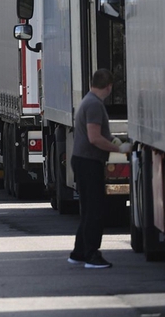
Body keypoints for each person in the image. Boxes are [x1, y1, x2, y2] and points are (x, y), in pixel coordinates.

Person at [68, 68, 131, 269]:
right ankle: (91, 255)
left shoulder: (88, 101)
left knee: (88, 210)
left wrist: (111, 139)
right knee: (95, 211)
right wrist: (118, 148)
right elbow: (94, 138)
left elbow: (96, 134)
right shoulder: (95, 105)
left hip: (82, 160)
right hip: (88, 162)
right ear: (109, 86)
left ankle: (79, 252)